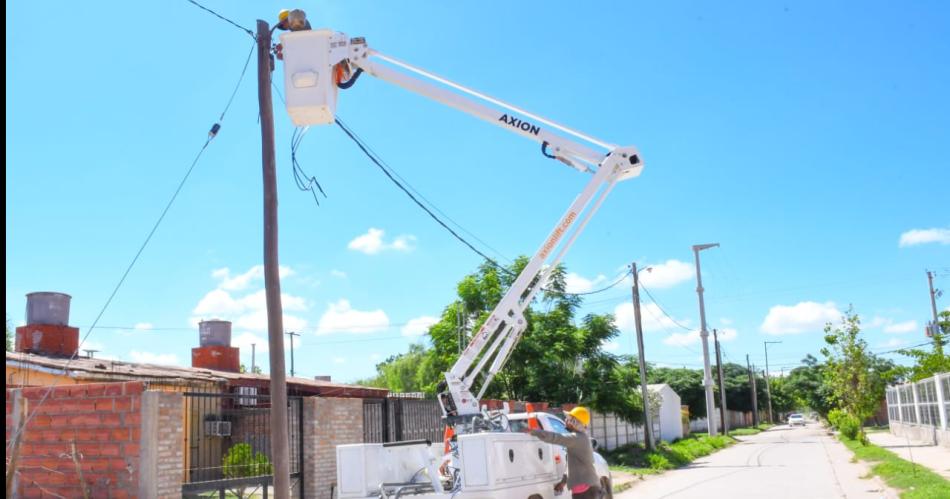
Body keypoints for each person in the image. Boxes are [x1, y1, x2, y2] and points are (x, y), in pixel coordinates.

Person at [530, 406, 601, 498]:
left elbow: (556, 437)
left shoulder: (577, 438)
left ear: (574, 422)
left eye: (568, 419)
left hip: (586, 490)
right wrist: (563, 483)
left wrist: (534, 431)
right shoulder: (579, 438)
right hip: (586, 488)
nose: (566, 420)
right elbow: (572, 466)